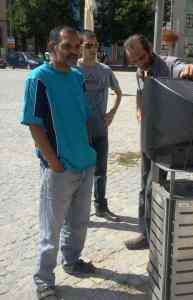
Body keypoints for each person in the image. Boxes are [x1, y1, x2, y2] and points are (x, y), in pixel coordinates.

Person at [20, 26, 97, 300]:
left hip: (85, 163)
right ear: (52, 47)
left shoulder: (77, 77)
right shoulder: (38, 79)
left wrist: (89, 149)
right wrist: (53, 162)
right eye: (68, 46)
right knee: (50, 228)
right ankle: (43, 280)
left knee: (78, 222)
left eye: (77, 46)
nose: (75, 51)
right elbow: (33, 123)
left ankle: (72, 261)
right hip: (59, 168)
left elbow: (82, 115)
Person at [123, 34, 193, 250]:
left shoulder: (168, 65)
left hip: (167, 141)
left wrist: (191, 68)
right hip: (149, 138)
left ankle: (152, 235)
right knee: (144, 186)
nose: (139, 63)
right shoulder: (140, 71)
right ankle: (146, 231)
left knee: (152, 187)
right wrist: (139, 109)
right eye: (134, 60)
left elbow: (183, 67)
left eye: (141, 57)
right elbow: (141, 92)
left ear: (149, 49)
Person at [78, 30, 122, 222]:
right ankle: (77, 211)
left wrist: (112, 112)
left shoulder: (105, 70)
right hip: (78, 134)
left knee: (100, 171)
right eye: (88, 45)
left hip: (99, 131)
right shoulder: (73, 70)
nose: (93, 49)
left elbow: (118, 92)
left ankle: (101, 207)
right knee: (77, 173)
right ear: (80, 46)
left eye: (95, 45)